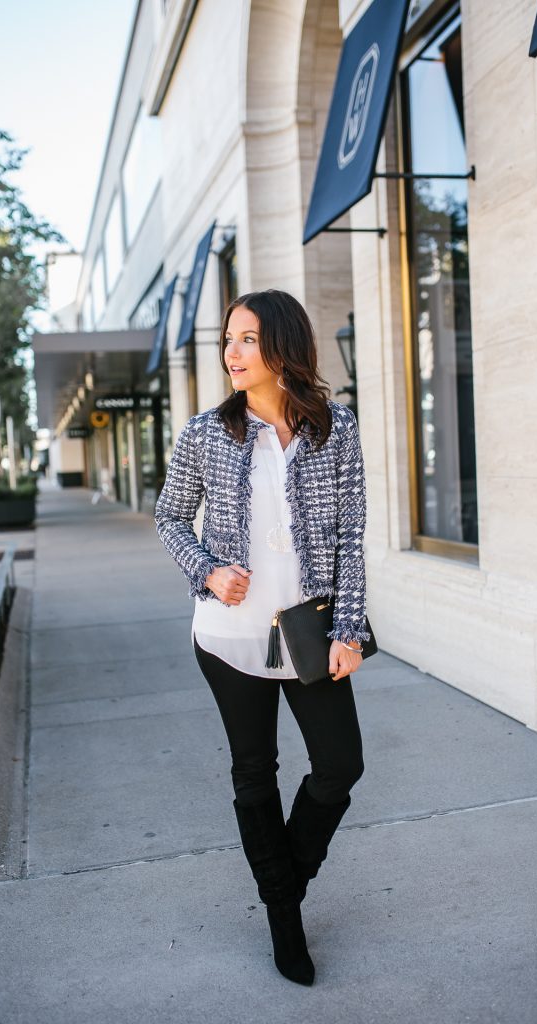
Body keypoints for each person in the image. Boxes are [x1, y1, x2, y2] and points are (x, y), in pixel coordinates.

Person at [154, 289, 370, 987]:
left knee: (340, 764)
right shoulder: (205, 433)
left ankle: (284, 886)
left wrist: (349, 629)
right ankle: (286, 921)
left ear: (282, 347)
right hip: (228, 635)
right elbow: (170, 519)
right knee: (255, 773)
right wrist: (208, 572)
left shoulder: (334, 428)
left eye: (247, 339)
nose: (232, 352)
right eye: (228, 339)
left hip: (310, 635)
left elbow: (350, 538)